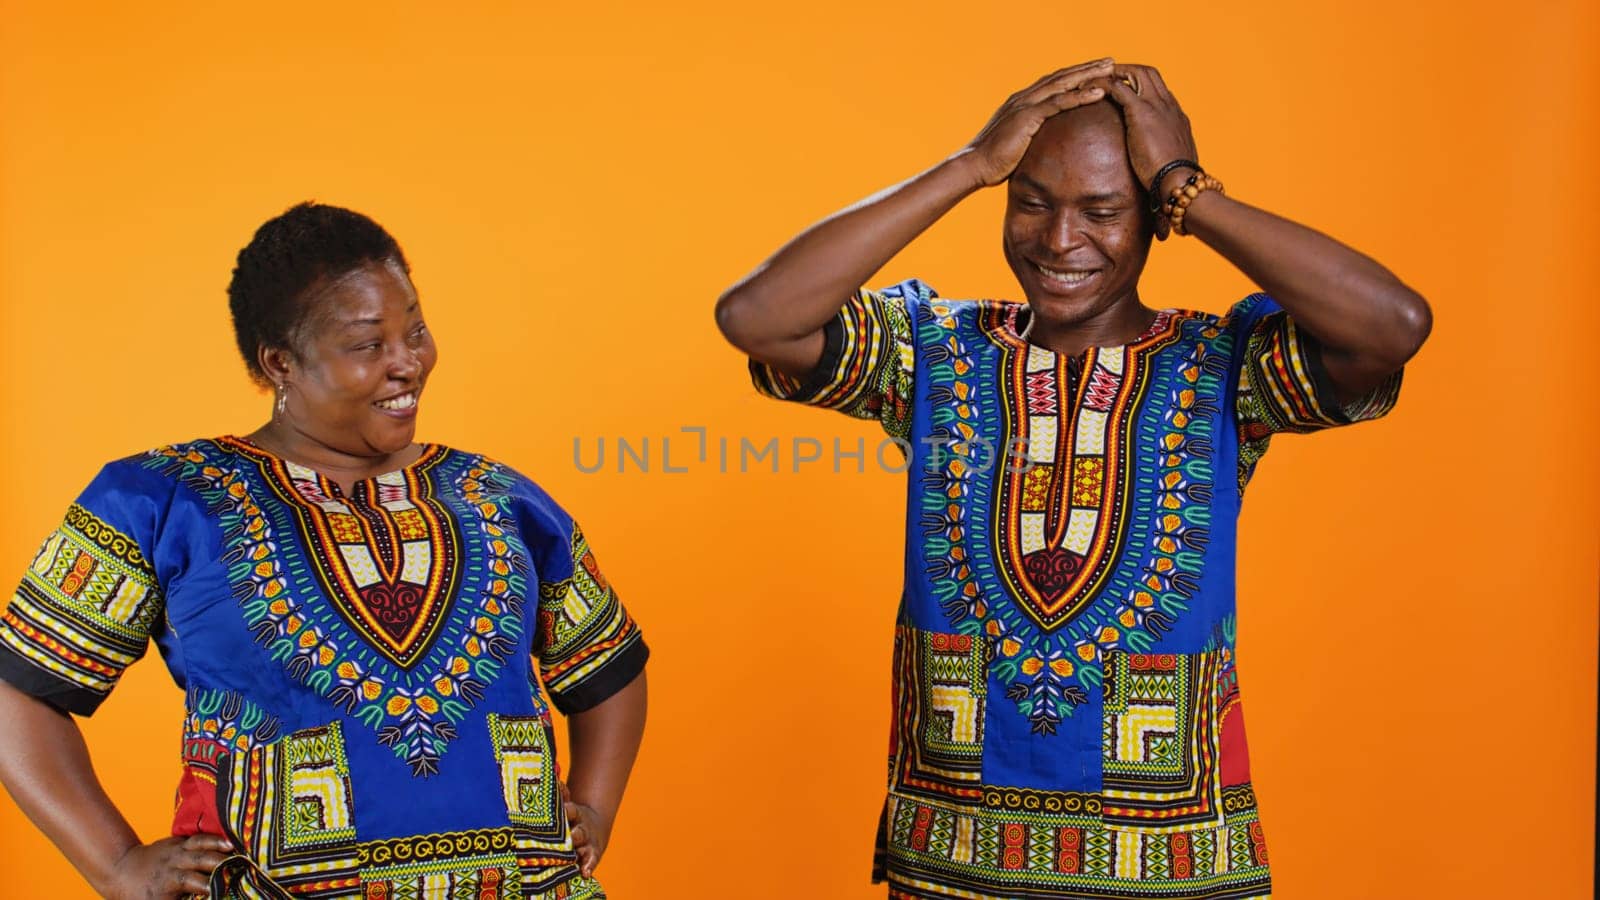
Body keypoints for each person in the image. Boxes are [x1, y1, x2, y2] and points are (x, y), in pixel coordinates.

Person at [715, 58, 1429, 899]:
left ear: (1154, 220)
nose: (1059, 240)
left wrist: (1191, 190)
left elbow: (1393, 325)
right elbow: (755, 317)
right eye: (1031, 202)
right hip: (955, 859)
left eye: (1103, 211)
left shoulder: (1223, 367)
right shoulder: (934, 354)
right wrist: (970, 166)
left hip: (1170, 861)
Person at [0, 203, 649, 899]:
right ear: (281, 361)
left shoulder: (498, 496)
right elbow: (19, 689)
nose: (408, 363)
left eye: (417, 330)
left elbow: (608, 667)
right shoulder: (162, 500)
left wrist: (596, 810)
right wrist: (115, 864)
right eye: (369, 345)